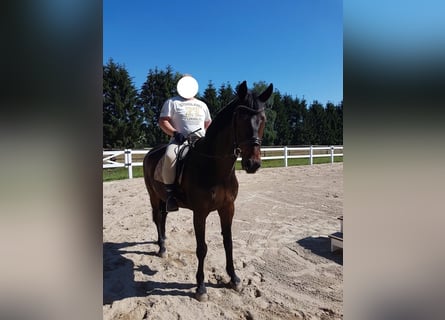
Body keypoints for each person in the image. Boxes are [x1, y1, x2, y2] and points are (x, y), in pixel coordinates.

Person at [158, 75, 212, 212]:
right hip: (180, 141)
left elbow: (208, 123)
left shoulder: (202, 105)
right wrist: (175, 133)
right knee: (170, 156)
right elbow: (163, 121)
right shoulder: (172, 102)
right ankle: (170, 194)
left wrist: (205, 134)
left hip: (200, 141)